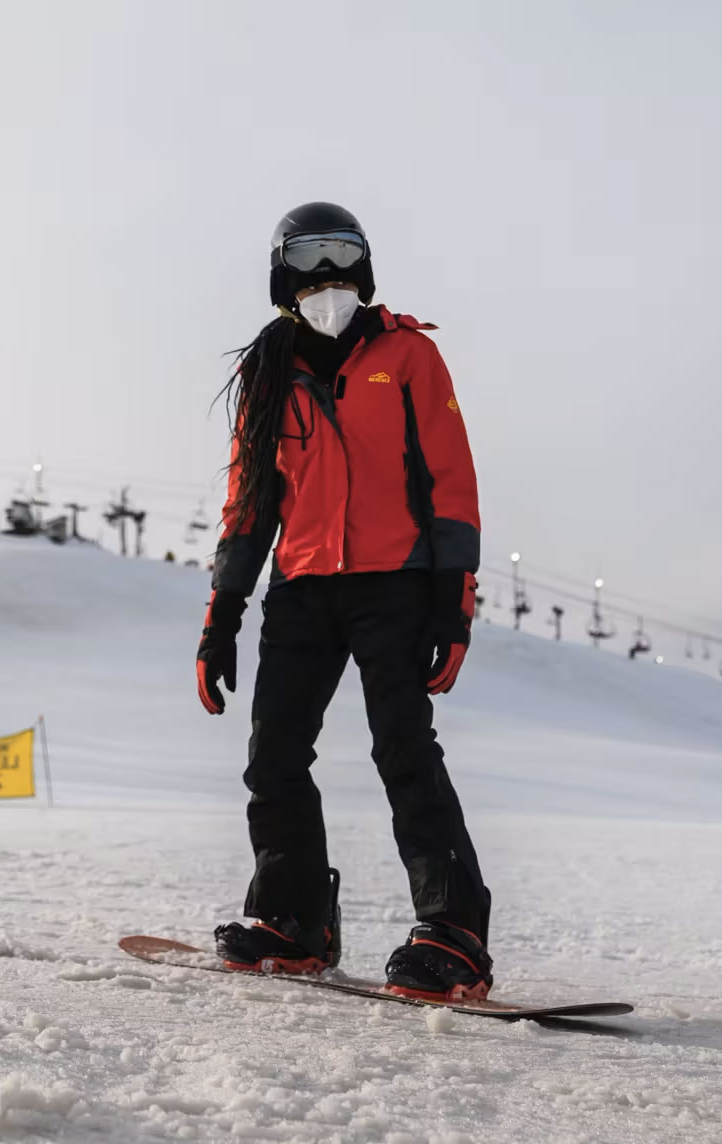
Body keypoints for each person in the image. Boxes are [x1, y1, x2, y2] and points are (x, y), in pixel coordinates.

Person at [195, 202, 492, 1001]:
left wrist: (451, 603)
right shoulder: (269, 375)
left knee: (403, 748)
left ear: (364, 268)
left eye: (341, 256)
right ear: (280, 275)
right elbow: (247, 504)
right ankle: (294, 921)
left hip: (393, 582)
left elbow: (451, 485)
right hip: (301, 587)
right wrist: (222, 615)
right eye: (307, 259)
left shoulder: (408, 356)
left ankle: (453, 928)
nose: (326, 276)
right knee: (274, 756)